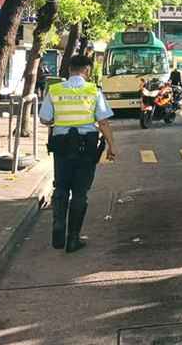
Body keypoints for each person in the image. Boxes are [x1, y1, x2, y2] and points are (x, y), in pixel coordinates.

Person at [40, 54, 117, 253]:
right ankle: (73, 239)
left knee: (62, 187)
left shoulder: (55, 90)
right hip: (87, 147)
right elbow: (103, 122)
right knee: (80, 192)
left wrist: (59, 120)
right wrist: (111, 146)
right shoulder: (93, 91)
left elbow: (45, 119)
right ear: (87, 70)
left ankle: (58, 224)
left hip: (62, 146)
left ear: (69, 69)